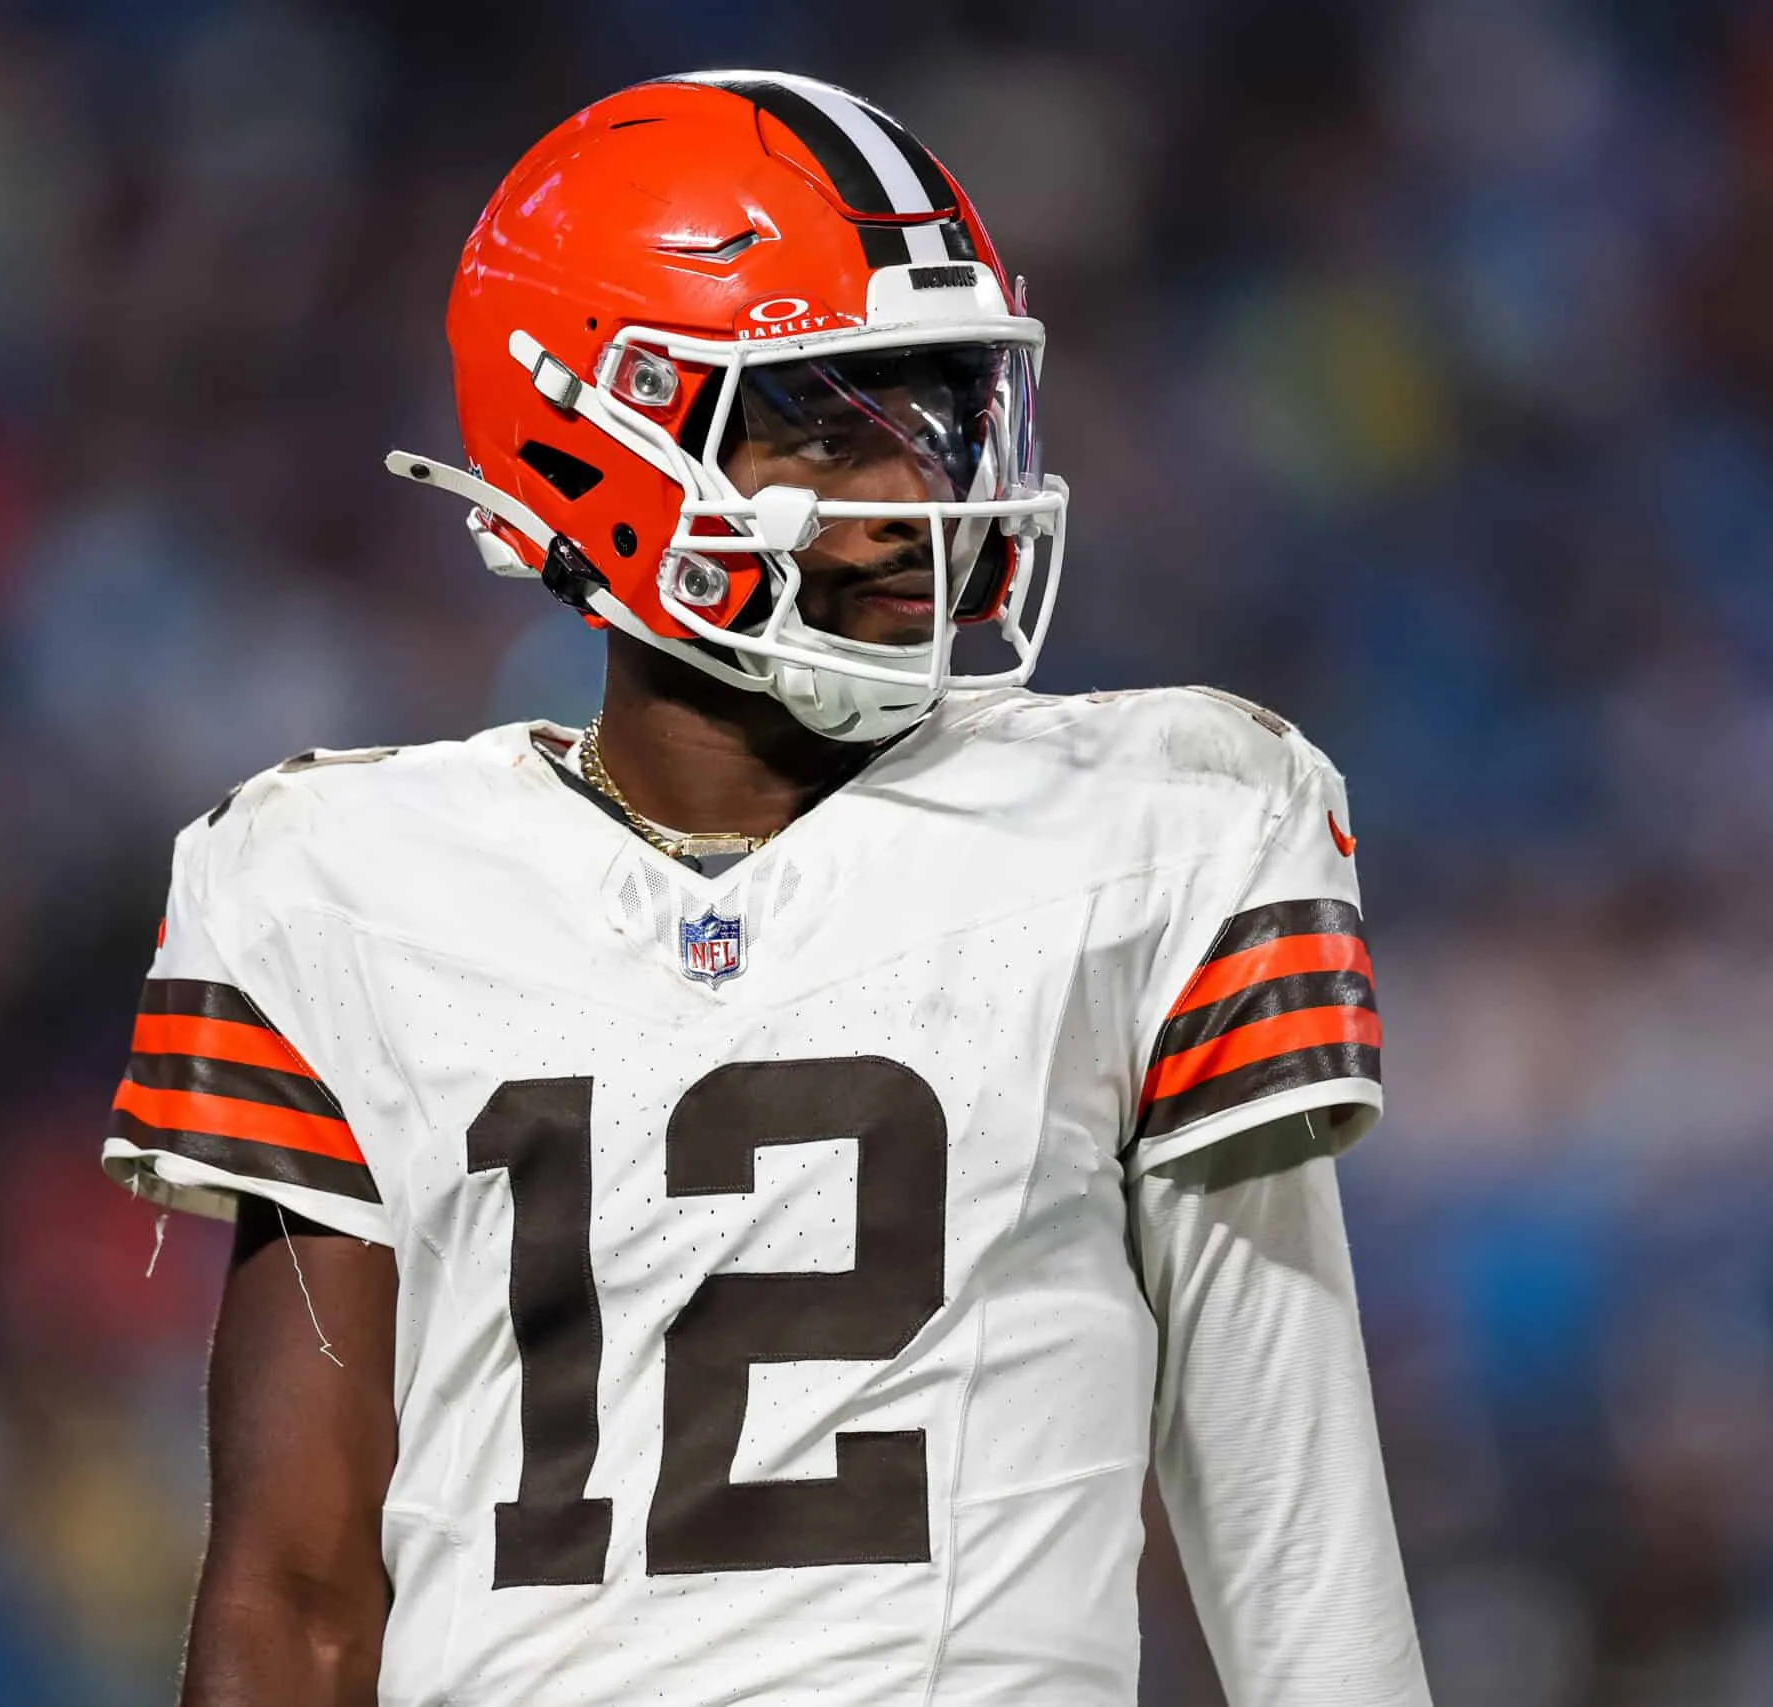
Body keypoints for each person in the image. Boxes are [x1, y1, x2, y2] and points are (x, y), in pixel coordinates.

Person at [101, 69, 1430, 1707]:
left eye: (937, 419)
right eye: (822, 424)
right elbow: (295, 1597)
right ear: (594, 431)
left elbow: (1297, 1542)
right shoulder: (341, 886)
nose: (915, 498)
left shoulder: (1163, 830)